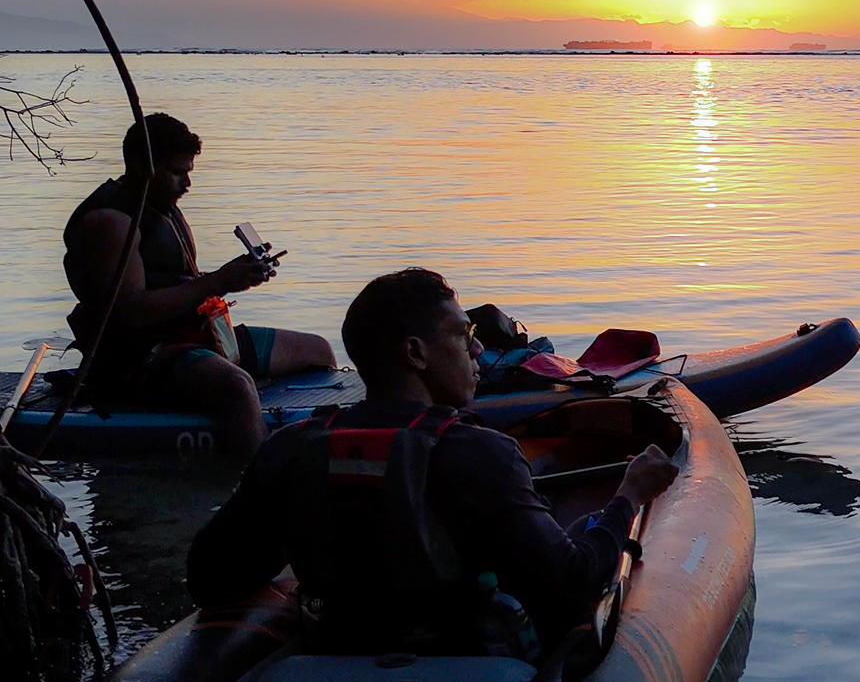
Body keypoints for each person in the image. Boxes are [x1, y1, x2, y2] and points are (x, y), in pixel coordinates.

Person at [186, 268, 678, 656]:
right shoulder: (483, 454)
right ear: (416, 353)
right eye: (464, 334)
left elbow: (210, 577)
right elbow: (573, 585)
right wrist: (629, 495)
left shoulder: (291, 449)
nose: (478, 347)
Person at [62, 113, 335, 458]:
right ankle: (252, 485)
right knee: (237, 386)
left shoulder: (162, 204)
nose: (187, 183)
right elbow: (129, 313)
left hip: (200, 336)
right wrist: (218, 280)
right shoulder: (111, 222)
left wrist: (235, 277)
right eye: (177, 172)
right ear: (139, 164)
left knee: (318, 351)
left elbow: (176, 280)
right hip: (142, 359)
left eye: (188, 171)